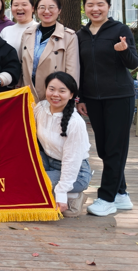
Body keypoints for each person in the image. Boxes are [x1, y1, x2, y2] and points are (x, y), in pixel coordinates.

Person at [77, 0, 138, 217]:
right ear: (84, 7)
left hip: (119, 97)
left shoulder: (120, 30)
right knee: (104, 149)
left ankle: (106, 198)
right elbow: (81, 69)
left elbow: (133, 63)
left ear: (108, 6)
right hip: (93, 99)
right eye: (90, 5)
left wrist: (123, 51)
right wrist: (81, 98)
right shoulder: (81, 35)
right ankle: (121, 194)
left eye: (100, 4)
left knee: (115, 148)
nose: (95, 9)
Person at [35, 72, 92, 218]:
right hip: (48, 160)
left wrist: (61, 193)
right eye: (51, 89)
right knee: (17, 174)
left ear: (71, 95)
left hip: (76, 173)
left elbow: (71, 162)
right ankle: (57, 191)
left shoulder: (75, 123)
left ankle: (71, 195)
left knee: (32, 183)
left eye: (62, 91)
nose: (55, 94)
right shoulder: (41, 108)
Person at [19, 0, 79, 102]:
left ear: (59, 10)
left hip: (55, 96)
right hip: (28, 94)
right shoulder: (27, 34)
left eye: (51, 7)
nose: (46, 11)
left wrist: (70, 96)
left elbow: (72, 71)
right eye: (42, 7)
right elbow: (21, 64)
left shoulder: (69, 36)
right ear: (36, 10)